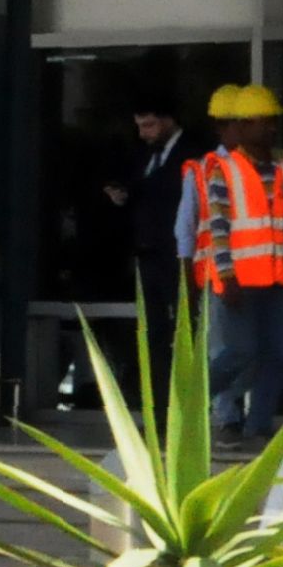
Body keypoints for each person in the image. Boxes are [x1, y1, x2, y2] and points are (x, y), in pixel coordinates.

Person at [178, 84, 283, 442]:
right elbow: (218, 227)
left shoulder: (279, 168)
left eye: (273, 121)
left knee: (274, 356)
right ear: (243, 126)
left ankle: (258, 429)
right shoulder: (222, 169)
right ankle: (187, 406)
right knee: (239, 351)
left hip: (275, 281)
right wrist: (227, 278)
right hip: (238, 282)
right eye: (264, 122)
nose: (271, 128)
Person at [102, 94, 194, 396]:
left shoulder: (191, 154)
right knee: (153, 332)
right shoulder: (142, 156)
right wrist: (122, 195)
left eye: (150, 125)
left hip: (178, 254)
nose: (144, 133)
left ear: (169, 120)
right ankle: (157, 399)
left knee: (182, 329)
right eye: (140, 127)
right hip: (147, 254)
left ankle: (182, 397)